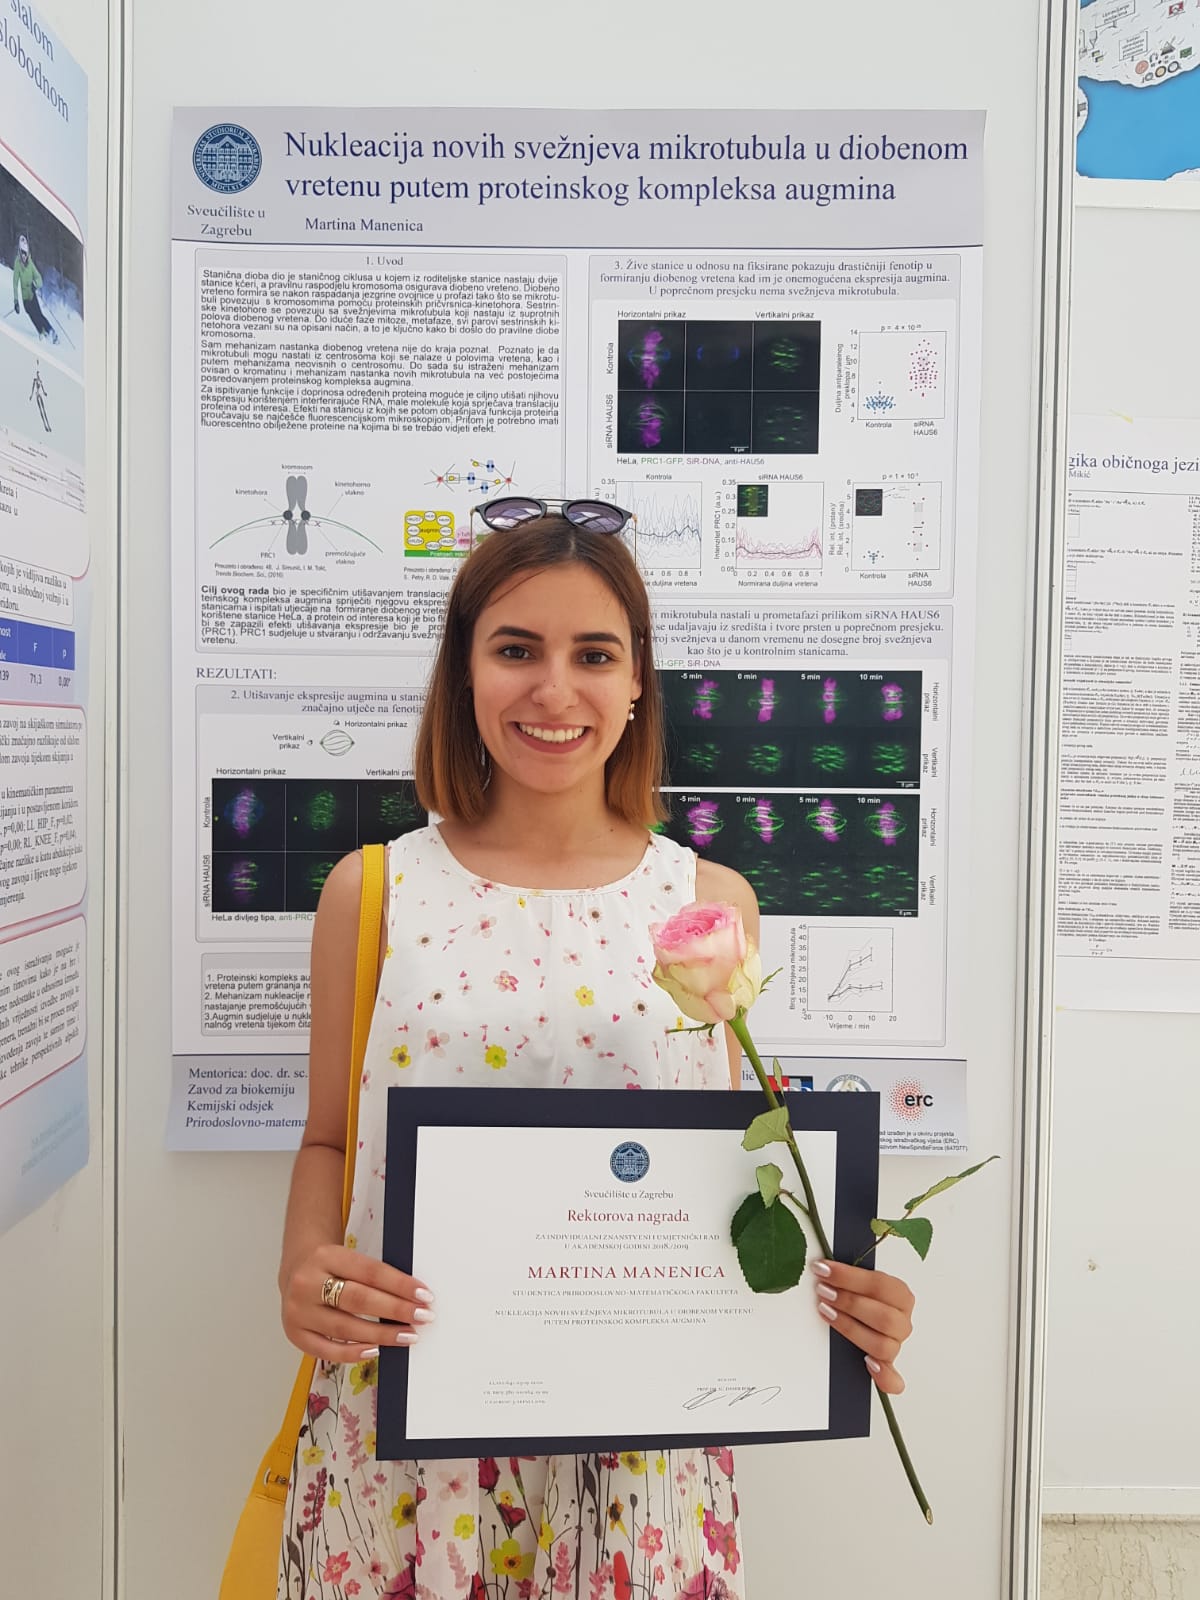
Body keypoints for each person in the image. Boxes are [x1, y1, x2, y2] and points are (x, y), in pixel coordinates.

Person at [276, 498, 916, 1599]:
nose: (554, 689)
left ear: (636, 683)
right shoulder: (373, 891)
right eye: (516, 649)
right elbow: (330, 1141)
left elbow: (737, 1177)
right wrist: (302, 1269)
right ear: (464, 670)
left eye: (594, 654)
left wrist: (845, 1296)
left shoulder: (709, 905)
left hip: (644, 1453)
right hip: (412, 1439)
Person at [12, 235, 57, 343]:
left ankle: (51, 332)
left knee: (38, 314)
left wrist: (35, 285)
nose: (24, 256)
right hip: (25, 297)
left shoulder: (30, 264)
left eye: (25, 253)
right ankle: (42, 332)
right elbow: (15, 283)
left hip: (32, 294)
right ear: (19, 252)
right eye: (22, 253)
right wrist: (16, 301)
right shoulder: (17, 264)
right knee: (31, 314)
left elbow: (39, 279)